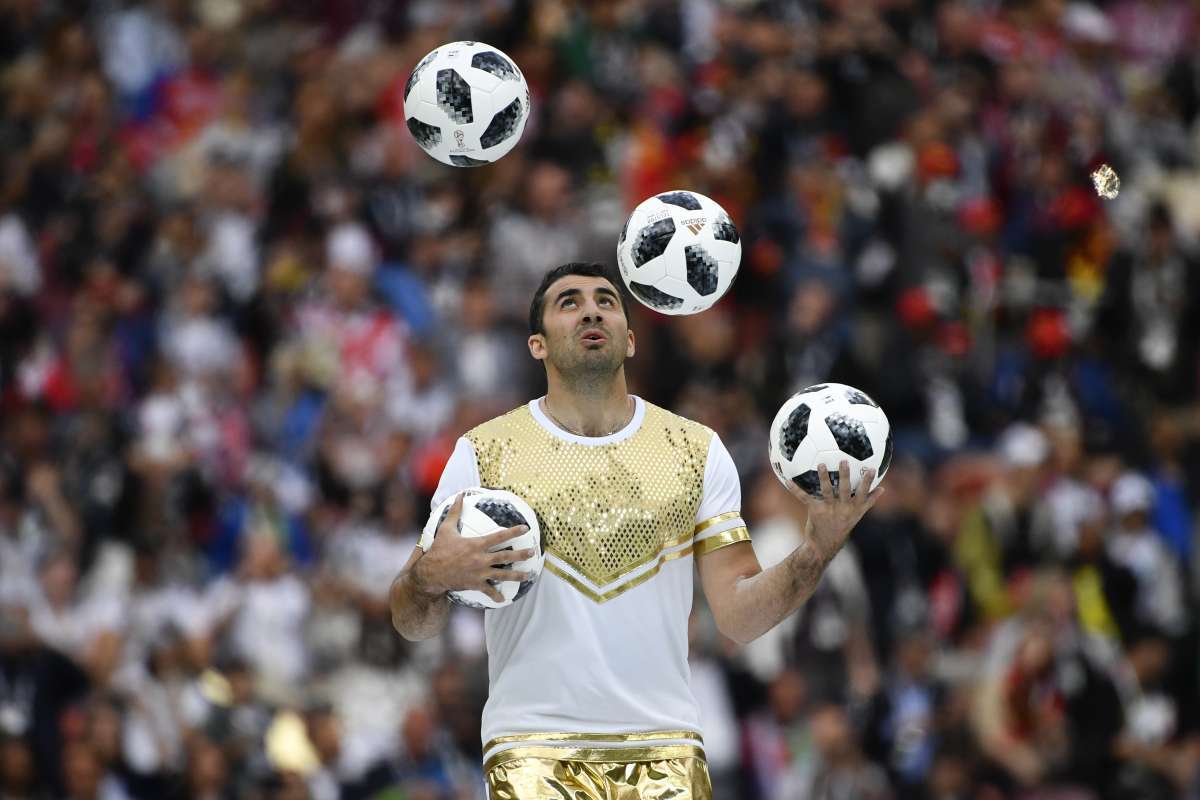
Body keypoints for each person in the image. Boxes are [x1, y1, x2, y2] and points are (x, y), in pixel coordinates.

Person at [389, 262, 882, 797]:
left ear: (629, 341)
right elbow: (413, 622)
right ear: (537, 346)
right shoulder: (484, 452)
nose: (591, 309)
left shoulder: (697, 450)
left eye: (606, 300)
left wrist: (817, 549)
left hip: (666, 751)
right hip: (531, 748)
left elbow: (739, 617)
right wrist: (427, 577)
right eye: (569, 302)